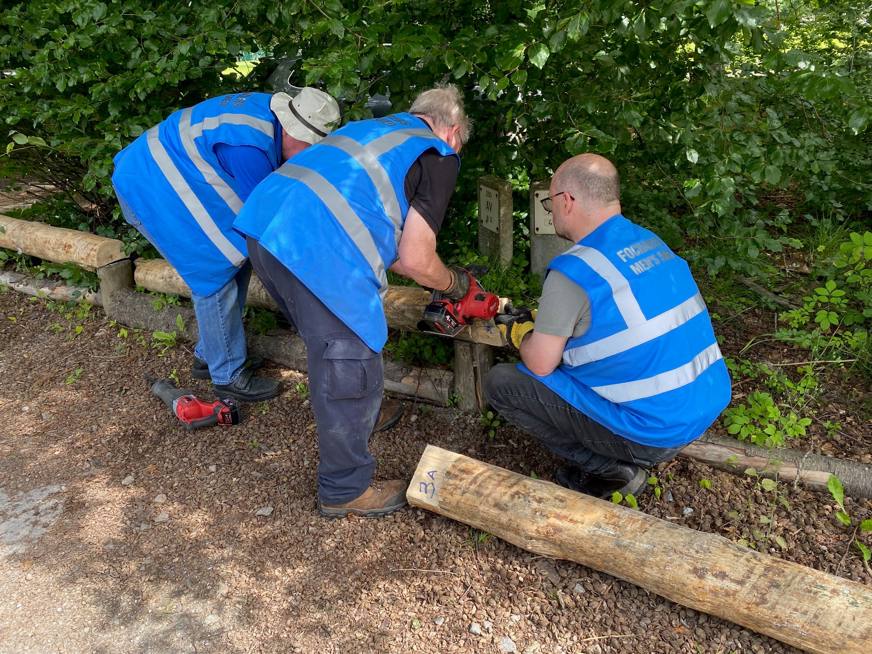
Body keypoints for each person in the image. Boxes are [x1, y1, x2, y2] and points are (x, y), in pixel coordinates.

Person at [234, 84, 475, 518]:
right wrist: (455, 285)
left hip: (264, 227)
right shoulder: (437, 153)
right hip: (315, 248)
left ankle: (367, 412)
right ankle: (344, 487)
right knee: (351, 356)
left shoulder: (373, 129)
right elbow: (416, 259)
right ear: (453, 132)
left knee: (329, 344)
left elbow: (391, 242)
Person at [486, 154, 732, 499]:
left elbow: (540, 364)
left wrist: (520, 331)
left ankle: (612, 471)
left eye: (548, 201)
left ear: (567, 201)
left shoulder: (573, 271)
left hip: (651, 432)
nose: (550, 210)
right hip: (702, 405)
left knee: (503, 382)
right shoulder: (650, 242)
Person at [111, 88, 340, 402]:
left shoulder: (272, 121)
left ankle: (211, 354)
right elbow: (265, 220)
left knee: (236, 255)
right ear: (288, 128)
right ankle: (228, 376)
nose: (308, 154)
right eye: (306, 145)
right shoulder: (249, 150)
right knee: (213, 269)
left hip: (173, 176)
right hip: (151, 186)